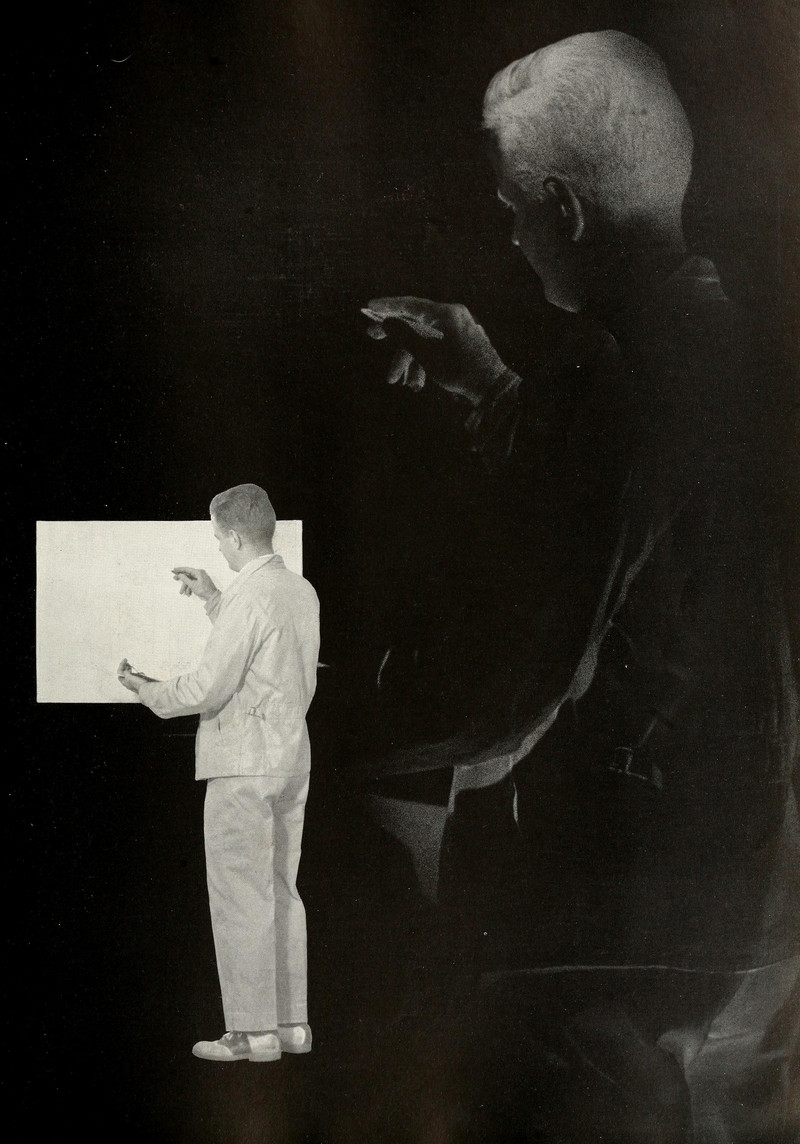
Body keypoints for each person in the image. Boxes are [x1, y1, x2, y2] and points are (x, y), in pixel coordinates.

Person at [363, 31, 799, 1142]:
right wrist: (491, 387)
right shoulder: (730, 342)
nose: (511, 236)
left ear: (561, 207)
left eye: (513, 209)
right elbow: (642, 507)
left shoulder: (617, 378)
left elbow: (516, 690)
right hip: (757, 906)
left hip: (637, 928)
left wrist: (328, 737)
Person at [118, 483, 320, 1063]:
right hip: (289, 758)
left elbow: (208, 685)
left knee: (239, 896)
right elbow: (263, 652)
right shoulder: (299, 590)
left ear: (232, 536)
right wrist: (213, 598)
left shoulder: (250, 597)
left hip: (241, 764)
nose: (219, 548)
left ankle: (251, 1035)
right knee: (281, 891)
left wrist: (148, 689)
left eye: (217, 539)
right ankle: (291, 1026)